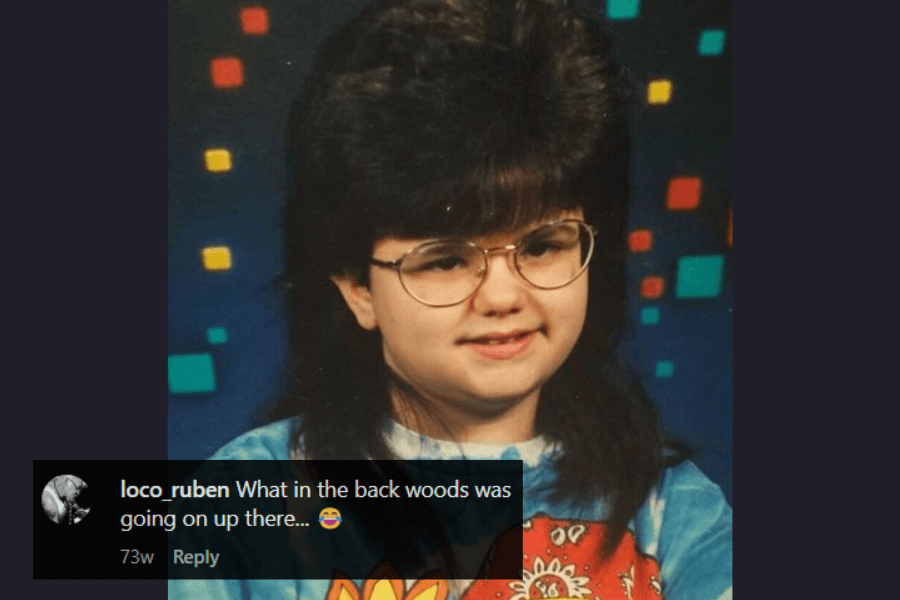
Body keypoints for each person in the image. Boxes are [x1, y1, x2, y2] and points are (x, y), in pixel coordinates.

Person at [168, 0, 732, 598]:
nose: (503, 295)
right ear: (357, 288)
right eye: (446, 260)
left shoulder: (672, 508)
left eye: (542, 245)